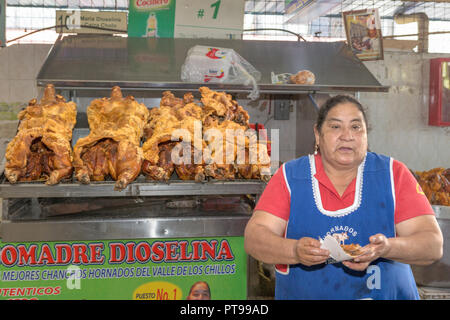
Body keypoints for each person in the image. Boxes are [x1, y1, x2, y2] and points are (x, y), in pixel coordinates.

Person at [244, 95, 443, 300]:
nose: (347, 136)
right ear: (318, 134)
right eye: (335, 127)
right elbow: (254, 238)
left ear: (367, 134)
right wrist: (295, 250)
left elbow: (432, 244)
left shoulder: (393, 175)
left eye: (356, 127)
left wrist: (387, 247)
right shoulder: (290, 177)